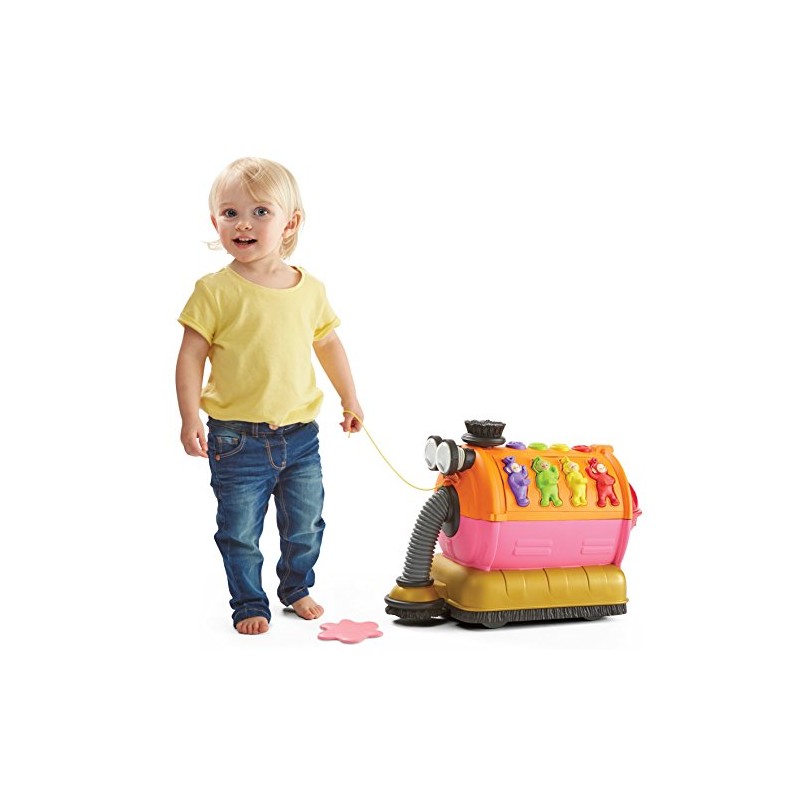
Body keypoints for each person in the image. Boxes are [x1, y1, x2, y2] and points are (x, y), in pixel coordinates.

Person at [176, 157, 363, 635]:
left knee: (306, 524)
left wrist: (350, 398)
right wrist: (189, 416)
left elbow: (328, 344)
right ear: (215, 222)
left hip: (300, 437)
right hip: (236, 439)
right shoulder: (214, 291)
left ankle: (296, 587)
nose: (243, 223)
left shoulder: (309, 289)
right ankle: (248, 602)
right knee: (240, 532)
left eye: (260, 212)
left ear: (290, 223)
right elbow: (191, 356)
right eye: (230, 213)